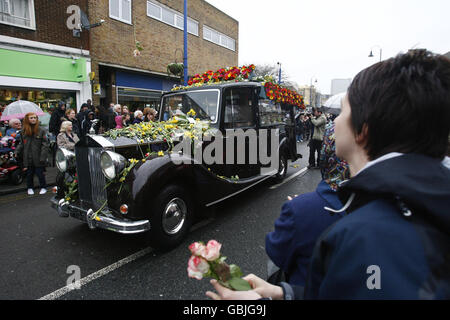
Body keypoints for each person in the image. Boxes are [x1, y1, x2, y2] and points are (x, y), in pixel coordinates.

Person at [206, 49, 450, 300]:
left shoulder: (370, 232)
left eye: (342, 112)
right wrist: (283, 293)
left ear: (362, 130)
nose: (335, 121)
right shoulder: (406, 203)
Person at [16, 112, 49, 195]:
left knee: (40, 173)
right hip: (27, 156)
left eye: (35, 118)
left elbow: (45, 145)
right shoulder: (23, 131)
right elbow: (21, 143)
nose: (33, 119)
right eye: (31, 118)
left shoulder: (41, 130)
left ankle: (43, 187)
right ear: (27, 119)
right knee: (29, 174)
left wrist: (43, 157)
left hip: (38, 156)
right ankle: (30, 187)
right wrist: (16, 151)